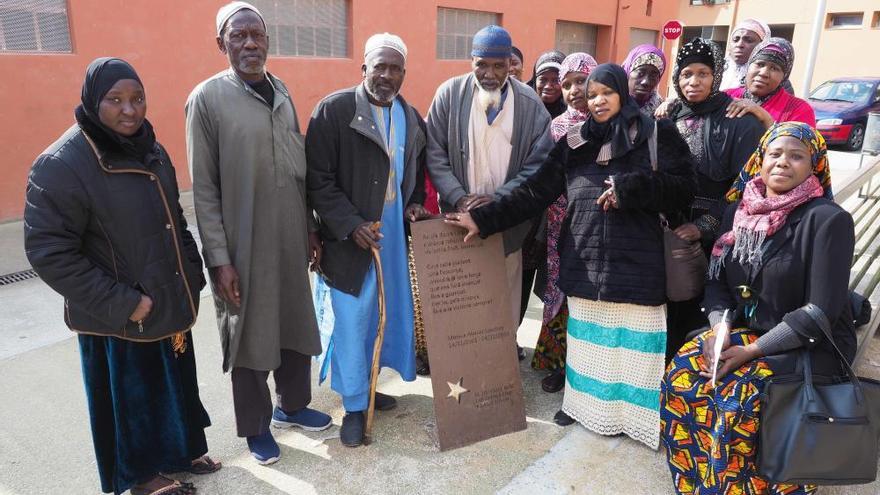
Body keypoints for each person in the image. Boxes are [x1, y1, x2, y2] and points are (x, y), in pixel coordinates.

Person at [447, 64, 696, 447]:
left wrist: (634, 189)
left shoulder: (655, 133)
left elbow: (684, 189)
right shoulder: (575, 142)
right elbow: (533, 193)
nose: (596, 100)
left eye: (605, 93)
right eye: (591, 94)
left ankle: (633, 419)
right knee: (587, 343)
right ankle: (583, 408)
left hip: (639, 262)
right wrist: (482, 220)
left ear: (622, 94)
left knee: (632, 346)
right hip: (585, 258)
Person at [24, 57, 216, 495]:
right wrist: (122, 301)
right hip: (118, 314)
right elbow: (49, 252)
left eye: (138, 99)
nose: (130, 110)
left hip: (165, 297)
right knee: (132, 399)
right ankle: (142, 477)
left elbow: (175, 218)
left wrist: (191, 268)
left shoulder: (150, 147)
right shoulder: (61, 165)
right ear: (94, 101)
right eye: (116, 100)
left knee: (174, 382)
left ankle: (182, 449)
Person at [661, 122, 851, 495]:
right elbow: (717, 283)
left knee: (740, 397)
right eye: (775, 154)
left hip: (808, 344)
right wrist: (720, 330)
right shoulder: (738, 212)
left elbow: (820, 310)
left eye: (797, 156)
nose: (783, 163)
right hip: (749, 332)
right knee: (683, 374)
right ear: (759, 160)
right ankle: (699, 482)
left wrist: (750, 351)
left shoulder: (827, 220)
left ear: (814, 166)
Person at [186, 1, 331, 465]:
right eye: (238, 36)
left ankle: (293, 406)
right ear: (220, 43)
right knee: (248, 328)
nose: (249, 43)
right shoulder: (207, 99)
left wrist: (309, 226)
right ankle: (255, 427)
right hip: (242, 241)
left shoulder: (282, 90)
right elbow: (203, 188)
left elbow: (297, 166)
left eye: (257, 35)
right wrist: (219, 258)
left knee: (293, 317)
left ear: (267, 41)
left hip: (291, 232)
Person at [306, 33, 429, 448]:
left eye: (395, 68)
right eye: (380, 66)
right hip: (350, 242)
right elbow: (318, 180)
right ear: (364, 69)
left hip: (392, 237)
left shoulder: (411, 117)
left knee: (385, 314)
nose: (387, 75)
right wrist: (350, 223)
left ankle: (373, 385)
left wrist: (413, 205)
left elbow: (416, 172)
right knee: (353, 320)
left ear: (404, 74)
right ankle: (354, 407)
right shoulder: (335, 110)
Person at [426, 24, 554, 361]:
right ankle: (462, 368)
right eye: (482, 64)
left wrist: (497, 201)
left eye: (499, 65)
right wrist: (459, 196)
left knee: (502, 299)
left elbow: (537, 166)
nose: (490, 73)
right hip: (457, 220)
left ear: (511, 64)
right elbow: (435, 153)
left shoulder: (531, 106)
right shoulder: (448, 95)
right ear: (471, 61)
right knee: (460, 298)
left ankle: (497, 367)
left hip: (505, 225)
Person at [664, 38, 765, 362]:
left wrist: (704, 226)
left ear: (716, 76)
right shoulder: (668, 117)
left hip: (718, 235)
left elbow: (745, 185)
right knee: (668, 309)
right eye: (686, 74)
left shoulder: (738, 119)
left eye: (703, 73)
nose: (693, 82)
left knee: (703, 313)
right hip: (670, 232)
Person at [536, 52, 598, 395]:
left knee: (590, 292)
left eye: (581, 81)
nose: (574, 90)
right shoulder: (558, 125)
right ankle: (559, 364)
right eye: (567, 83)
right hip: (562, 220)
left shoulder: (612, 121)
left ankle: (587, 365)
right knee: (559, 286)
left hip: (599, 221)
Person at [724, 37, 816, 129]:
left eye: (774, 68)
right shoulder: (727, 96)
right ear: (749, 66)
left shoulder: (799, 109)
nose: (764, 73)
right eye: (760, 64)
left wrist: (765, 118)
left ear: (784, 76)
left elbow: (798, 142)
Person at [720, 18, 771, 91]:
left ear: (763, 45)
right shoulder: (716, 70)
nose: (739, 44)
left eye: (749, 40)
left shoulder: (772, 77)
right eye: (735, 40)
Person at [622, 44, 667, 117]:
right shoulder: (611, 106)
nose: (646, 82)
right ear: (628, 72)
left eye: (653, 76)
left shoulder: (663, 112)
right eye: (640, 73)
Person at [528, 50, 567, 119]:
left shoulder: (574, 114)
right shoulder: (522, 107)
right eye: (543, 80)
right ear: (535, 79)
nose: (548, 86)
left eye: (556, 80)